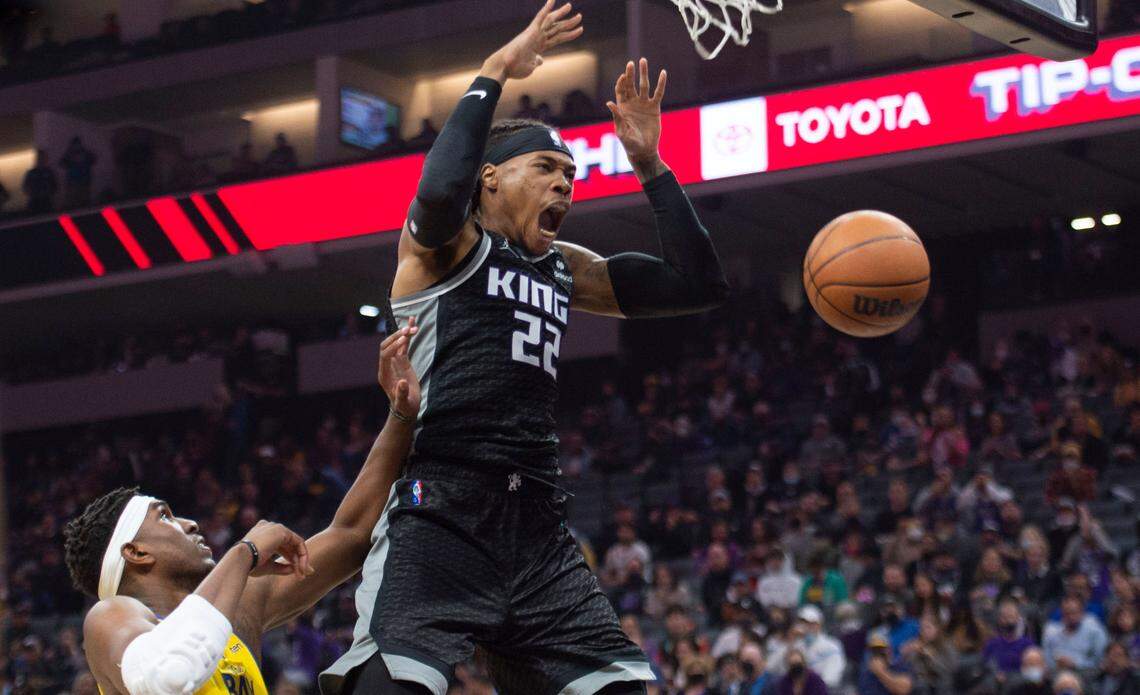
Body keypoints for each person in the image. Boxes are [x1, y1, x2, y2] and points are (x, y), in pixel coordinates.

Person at [323, 2, 727, 693]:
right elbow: (439, 190)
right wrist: (493, 72)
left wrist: (650, 163)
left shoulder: (565, 265)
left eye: (571, 174)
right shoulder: (443, 250)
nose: (565, 183)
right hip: (442, 510)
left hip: (537, 524)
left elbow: (697, 283)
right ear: (491, 178)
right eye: (546, 167)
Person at [64, 324, 421, 695]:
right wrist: (243, 553)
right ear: (135, 552)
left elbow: (351, 535)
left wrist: (400, 417)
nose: (188, 524)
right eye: (165, 517)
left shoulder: (239, 606)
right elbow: (167, 676)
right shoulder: (111, 617)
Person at [1043, 596, 1109, 671]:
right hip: (1058, 675)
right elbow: (1047, 661)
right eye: (1066, 613)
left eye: (1074, 612)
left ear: (1082, 613)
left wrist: (1075, 664)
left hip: (1088, 676)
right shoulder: (1052, 632)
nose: (1070, 617)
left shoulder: (1095, 631)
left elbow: (1101, 662)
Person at [795, 605, 846, 689]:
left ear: (819, 624)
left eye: (811, 624)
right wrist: (790, 641)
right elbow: (774, 668)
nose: (807, 627)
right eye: (804, 623)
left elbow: (832, 677)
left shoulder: (832, 645)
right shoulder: (796, 645)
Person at [59, 136, 97, 209]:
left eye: (77, 144)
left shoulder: (85, 153)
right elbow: (61, 163)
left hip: (84, 181)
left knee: (85, 200)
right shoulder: (69, 154)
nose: (76, 146)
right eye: (75, 144)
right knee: (74, 201)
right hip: (73, 182)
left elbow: (94, 159)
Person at [22, 149, 58, 214]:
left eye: (42, 158)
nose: (41, 160)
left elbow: (55, 187)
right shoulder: (31, 173)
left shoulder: (49, 172)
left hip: (46, 201)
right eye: (40, 158)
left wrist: (47, 192)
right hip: (35, 202)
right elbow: (26, 187)